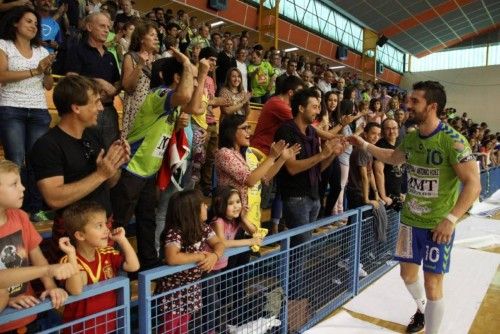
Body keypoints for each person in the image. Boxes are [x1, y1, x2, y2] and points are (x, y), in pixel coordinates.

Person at [348, 81, 481, 334]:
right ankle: (422, 310)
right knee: (407, 276)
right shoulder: (411, 138)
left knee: (433, 285)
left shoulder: (454, 142)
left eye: (414, 101)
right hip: (410, 222)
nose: (408, 105)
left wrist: (451, 219)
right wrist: (364, 144)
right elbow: (392, 157)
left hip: (437, 226)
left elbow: (473, 185)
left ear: (432, 106)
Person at [110, 49, 197, 270]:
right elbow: (186, 96)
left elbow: (194, 106)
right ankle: (113, 266)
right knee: (118, 223)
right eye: (184, 75)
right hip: (131, 168)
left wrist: (203, 72)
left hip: (148, 172)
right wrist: (187, 63)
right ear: (175, 77)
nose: (189, 81)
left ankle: (147, 262)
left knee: (147, 219)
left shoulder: (173, 104)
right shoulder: (158, 95)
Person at [31, 75, 129, 263]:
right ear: (76, 108)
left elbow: (110, 182)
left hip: (103, 227)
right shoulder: (48, 145)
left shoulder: (92, 135)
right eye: (95, 102)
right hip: (75, 237)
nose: (101, 108)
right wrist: (100, 174)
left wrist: (115, 165)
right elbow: (53, 198)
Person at [0, 160, 69, 333]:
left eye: (21, 182)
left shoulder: (21, 217)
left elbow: (37, 256)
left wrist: (51, 287)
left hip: (30, 313)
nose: (23, 188)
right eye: (14, 184)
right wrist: (6, 300)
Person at [0, 6, 55, 218]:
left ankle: (35, 207)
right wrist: (36, 70)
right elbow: (2, 75)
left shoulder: (42, 51)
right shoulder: (4, 45)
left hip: (39, 110)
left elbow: (48, 85)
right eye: (29, 21)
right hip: (11, 108)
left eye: (36, 23)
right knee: (16, 158)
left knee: (36, 160)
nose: (34, 26)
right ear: (15, 23)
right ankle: (15, 209)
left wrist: (47, 70)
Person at [274, 87, 347, 247]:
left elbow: (317, 168)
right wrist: (322, 155)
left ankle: (293, 273)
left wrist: (332, 154)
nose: (318, 111)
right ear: (301, 108)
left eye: (319, 107)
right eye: (314, 107)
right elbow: (292, 167)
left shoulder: (312, 132)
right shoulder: (286, 131)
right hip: (296, 197)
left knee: (303, 247)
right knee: (299, 247)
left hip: (314, 196)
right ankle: (288, 273)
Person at [59, 201, 139, 334]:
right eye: (99, 226)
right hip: (80, 330)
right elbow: (76, 289)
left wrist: (122, 240)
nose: (106, 229)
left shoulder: (107, 252)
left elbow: (133, 266)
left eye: (106, 224)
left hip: (109, 326)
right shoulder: (69, 260)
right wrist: (72, 254)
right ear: (80, 235)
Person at [155, 189, 225, 334]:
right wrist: (199, 256)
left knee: (183, 327)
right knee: (170, 327)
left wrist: (214, 256)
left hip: (191, 288)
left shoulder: (203, 228)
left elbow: (219, 243)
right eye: (203, 205)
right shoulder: (175, 231)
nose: (206, 207)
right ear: (191, 210)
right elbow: (172, 257)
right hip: (173, 291)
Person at [216, 114, 299, 230]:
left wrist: (282, 159)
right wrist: (271, 156)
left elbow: (265, 177)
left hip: (250, 218)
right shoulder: (224, 154)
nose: (249, 132)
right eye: (244, 128)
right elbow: (250, 180)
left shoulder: (249, 153)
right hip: (232, 220)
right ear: (231, 131)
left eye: (249, 128)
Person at [63, 12, 121, 150]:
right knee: (85, 153)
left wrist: (115, 90)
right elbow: (71, 78)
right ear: (89, 27)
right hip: (85, 110)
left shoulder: (110, 56)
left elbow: (117, 82)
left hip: (108, 110)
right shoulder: (77, 50)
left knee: (111, 153)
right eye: (102, 26)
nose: (107, 30)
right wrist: (98, 82)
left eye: (108, 27)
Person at [120, 21, 159, 138]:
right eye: (152, 35)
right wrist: (140, 65)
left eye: (156, 35)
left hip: (154, 113)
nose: (156, 38)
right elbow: (128, 87)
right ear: (142, 39)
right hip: (136, 113)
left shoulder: (159, 60)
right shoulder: (131, 57)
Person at [346, 122, 381, 210]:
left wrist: (376, 193)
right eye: (373, 133)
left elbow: (370, 173)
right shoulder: (362, 150)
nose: (376, 137)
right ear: (365, 134)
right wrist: (366, 199)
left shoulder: (369, 150)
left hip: (363, 191)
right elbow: (364, 177)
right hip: (356, 191)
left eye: (378, 134)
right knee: (355, 221)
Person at [374, 118, 403, 205]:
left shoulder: (400, 143)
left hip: (396, 192)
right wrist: (383, 196)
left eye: (394, 128)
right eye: (388, 128)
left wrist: (399, 192)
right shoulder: (380, 146)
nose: (391, 131)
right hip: (385, 196)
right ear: (382, 131)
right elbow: (378, 172)